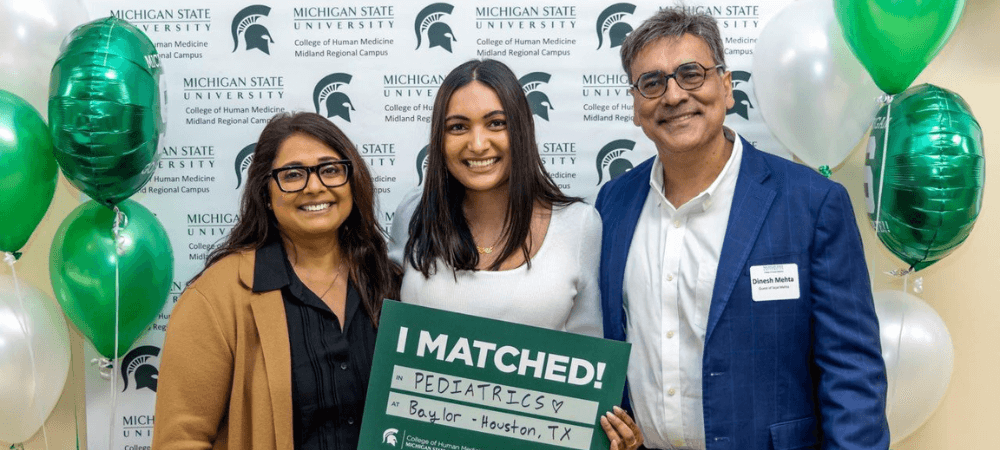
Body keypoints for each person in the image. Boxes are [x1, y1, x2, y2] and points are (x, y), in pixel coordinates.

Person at [595, 8, 889, 450]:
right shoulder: (613, 203)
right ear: (636, 107)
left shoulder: (811, 204)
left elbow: (853, 372)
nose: (674, 95)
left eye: (691, 74)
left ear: (727, 87)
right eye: (652, 83)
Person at [388, 59, 643, 450]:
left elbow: (589, 362)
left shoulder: (579, 225)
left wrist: (606, 432)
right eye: (458, 126)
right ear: (439, 138)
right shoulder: (413, 216)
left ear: (521, 130)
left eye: (496, 123)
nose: (477, 144)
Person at [152, 112, 401, 450]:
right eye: (293, 174)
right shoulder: (217, 297)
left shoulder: (391, 284)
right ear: (266, 193)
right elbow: (181, 440)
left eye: (330, 170)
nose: (315, 186)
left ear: (352, 182)